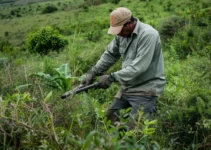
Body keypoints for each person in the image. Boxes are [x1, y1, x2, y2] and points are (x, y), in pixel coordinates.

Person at [82, 7, 166, 129]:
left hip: (146, 89)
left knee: (135, 130)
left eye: (120, 29)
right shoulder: (121, 35)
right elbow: (110, 54)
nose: (118, 33)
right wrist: (93, 72)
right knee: (108, 122)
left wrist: (111, 78)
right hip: (127, 87)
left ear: (129, 24)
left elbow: (139, 67)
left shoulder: (148, 35)